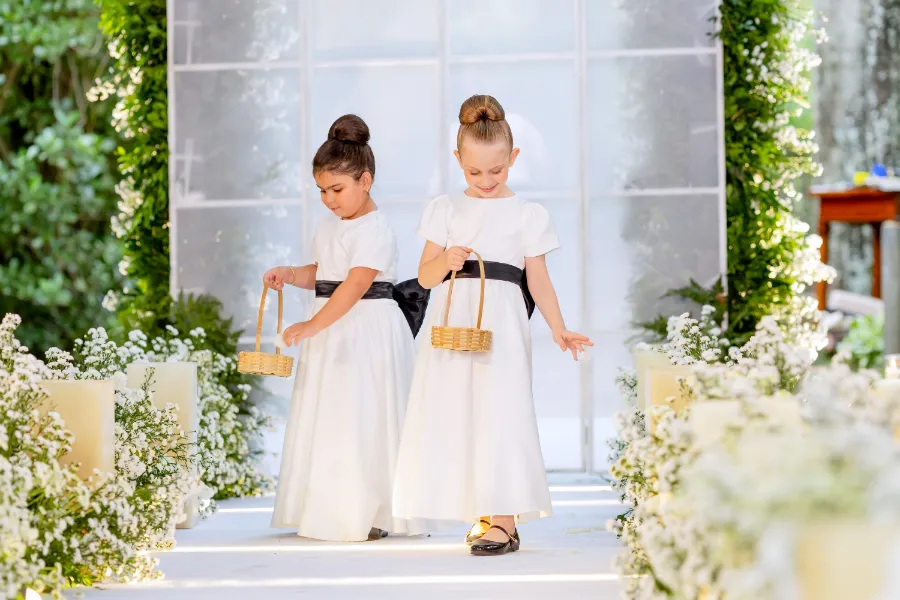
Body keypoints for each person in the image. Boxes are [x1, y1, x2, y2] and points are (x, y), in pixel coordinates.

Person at [392, 94, 592, 556]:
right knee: (461, 411)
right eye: (474, 172)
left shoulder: (528, 214)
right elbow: (423, 277)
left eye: (497, 171)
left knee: (503, 411)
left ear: (513, 159)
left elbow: (538, 279)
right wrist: (446, 257)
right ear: (458, 160)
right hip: (453, 322)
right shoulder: (443, 209)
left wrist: (559, 328)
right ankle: (483, 510)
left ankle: (505, 519)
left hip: (500, 324)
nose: (486, 181)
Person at [267, 114, 429, 542]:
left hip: (365, 330)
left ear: (366, 180)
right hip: (334, 328)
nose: (329, 200)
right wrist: (289, 273)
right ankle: (330, 506)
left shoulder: (375, 228)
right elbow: (323, 275)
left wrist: (312, 323)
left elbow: (357, 284)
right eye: (322, 190)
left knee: (364, 414)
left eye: (337, 189)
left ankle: (372, 508)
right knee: (333, 415)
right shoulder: (329, 225)